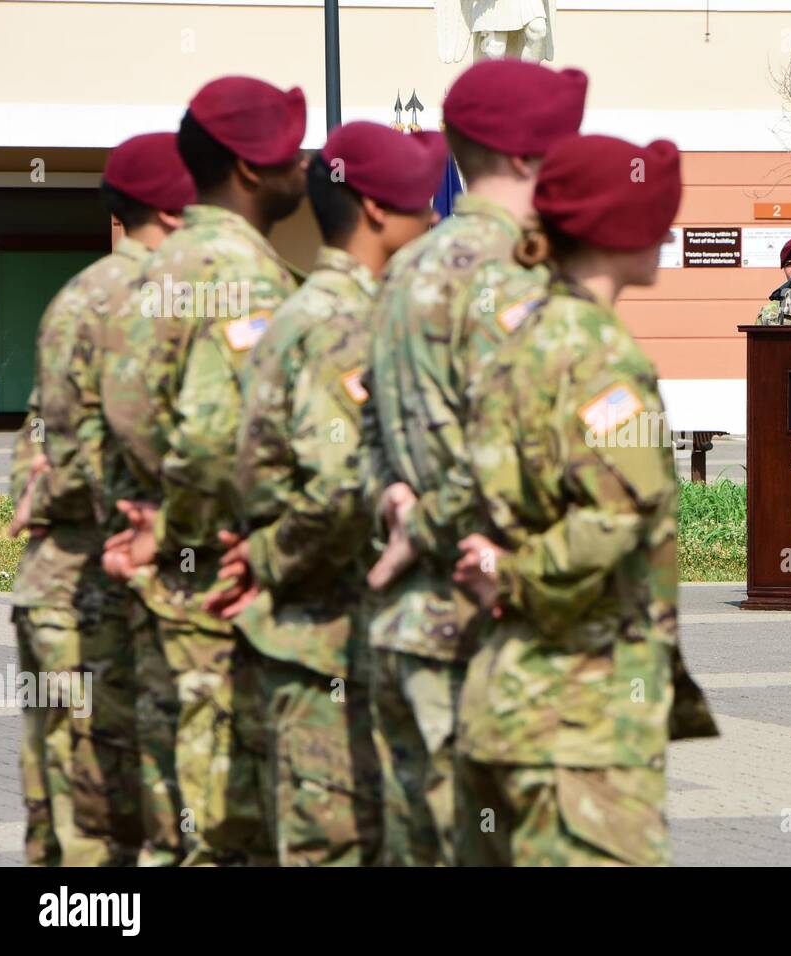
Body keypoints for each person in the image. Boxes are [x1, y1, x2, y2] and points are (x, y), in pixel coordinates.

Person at [452, 133, 717, 866]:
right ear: (619, 232)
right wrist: (513, 574)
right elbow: (620, 513)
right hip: (584, 711)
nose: (665, 234)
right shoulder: (601, 357)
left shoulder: (516, 339)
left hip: (504, 697)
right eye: (655, 219)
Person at [359, 59, 587, 866]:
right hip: (497, 623)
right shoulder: (522, 277)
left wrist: (393, 504)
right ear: (527, 159)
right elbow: (529, 454)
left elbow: (371, 434)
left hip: (407, 625)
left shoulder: (399, 271)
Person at [202, 122, 448, 865]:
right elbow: (339, 485)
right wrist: (268, 558)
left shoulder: (325, 308)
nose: (435, 214)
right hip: (327, 647)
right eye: (419, 198)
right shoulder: (343, 321)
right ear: (375, 209)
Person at [100, 75, 308, 866]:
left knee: (176, 816)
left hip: (158, 590)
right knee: (222, 826)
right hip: (217, 588)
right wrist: (185, 531)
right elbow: (215, 434)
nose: (304, 166)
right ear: (252, 170)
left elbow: (122, 421)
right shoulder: (245, 278)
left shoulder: (143, 276)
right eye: (291, 151)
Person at [9, 133, 193, 866]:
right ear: (178, 210)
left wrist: (40, 500)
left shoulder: (73, 297)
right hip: (121, 584)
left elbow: (38, 440)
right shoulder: (166, 298)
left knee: (62, 798)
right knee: (134, 804)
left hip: (53, 580)